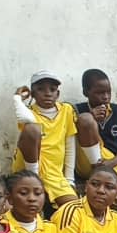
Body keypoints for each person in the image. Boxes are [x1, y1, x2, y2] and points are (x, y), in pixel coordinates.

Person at [11, 71, 78, 208]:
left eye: (52, 90)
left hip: (53, 173)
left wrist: (70, 179)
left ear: (57, 94)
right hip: (28, 168)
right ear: (33, 94)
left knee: (73, 207)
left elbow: (70, 144)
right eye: (41, 89)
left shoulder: (66, 110)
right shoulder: (29, 112)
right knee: (32, 129)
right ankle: (33, 181)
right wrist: (17, 98)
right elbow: (26, 119)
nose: (47, 94)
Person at [74, 69, 117, 211]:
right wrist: (91, 116)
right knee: (86, 119)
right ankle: (98, 169)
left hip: (112, 162)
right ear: (86, 92)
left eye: (108, 92)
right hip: (86, 162)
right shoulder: (75, 110)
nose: (105, 97)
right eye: (100, 93)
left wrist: (112, 163)